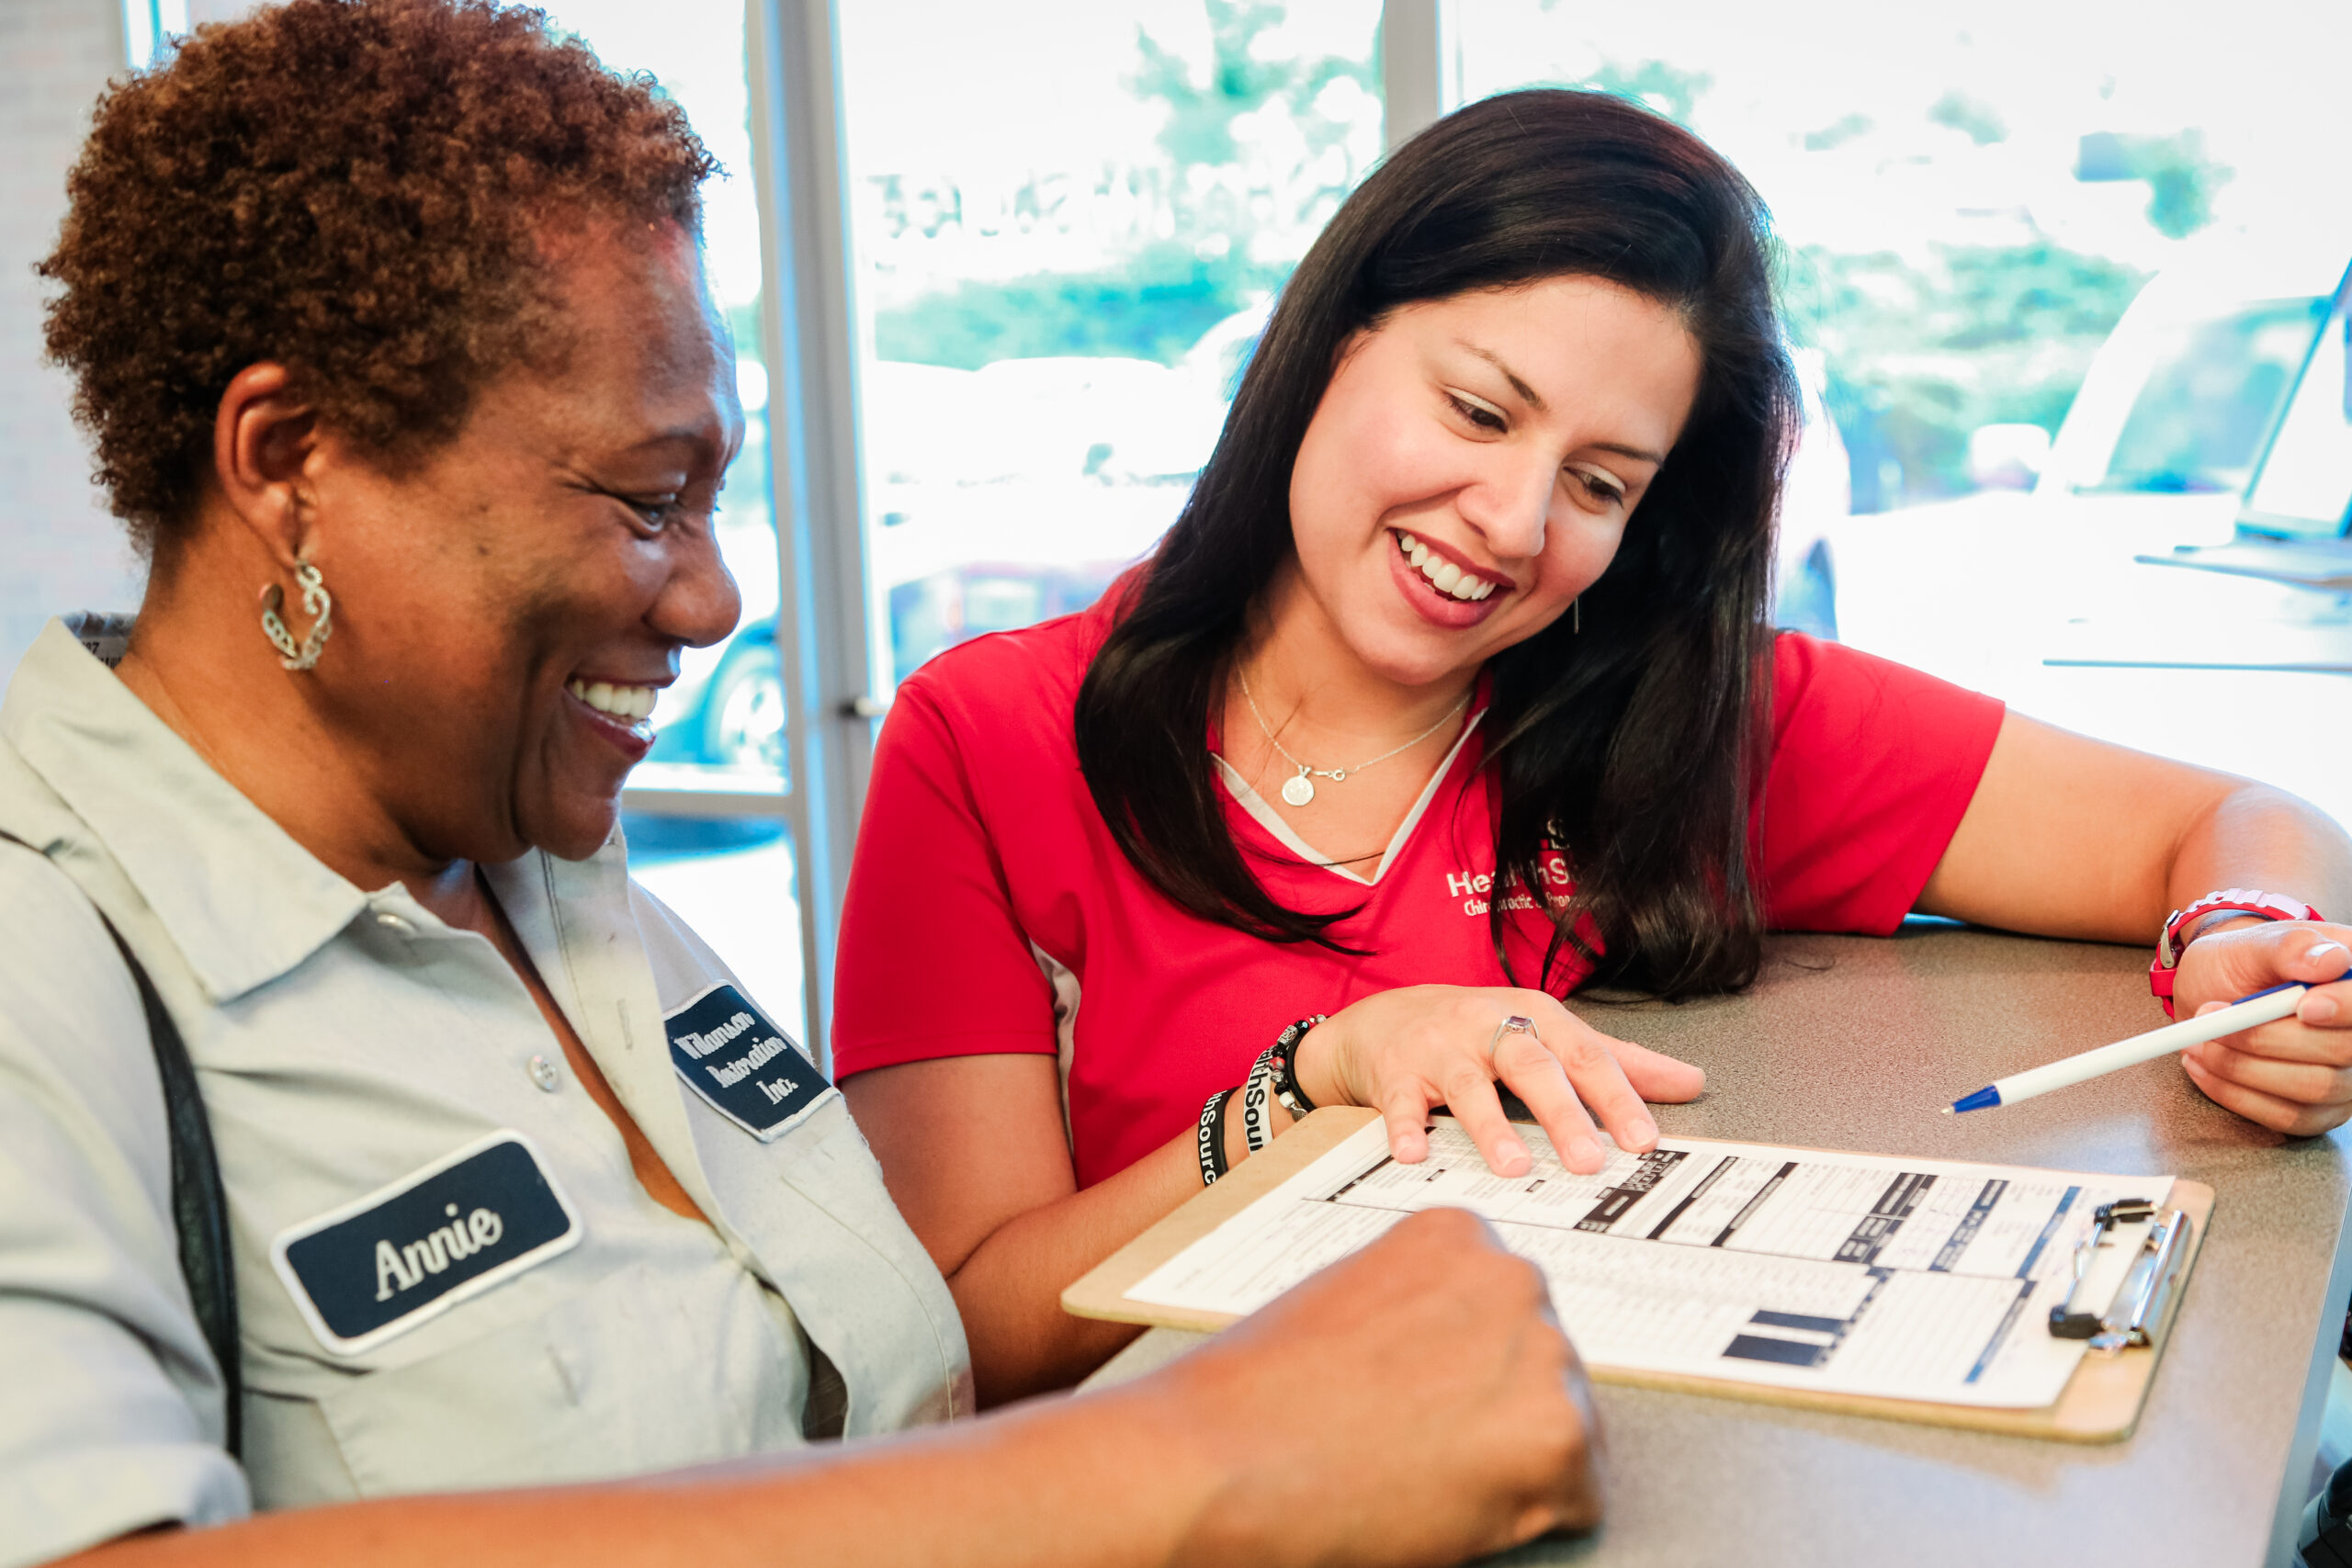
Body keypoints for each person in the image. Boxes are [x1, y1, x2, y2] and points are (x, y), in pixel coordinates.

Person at [0, 5, 1606, 1564]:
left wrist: (1297, 1155)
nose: (712, 601)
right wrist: (1200, 1463)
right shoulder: (49, 955)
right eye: (647, 500)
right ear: (291, 461)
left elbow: (885, 1409)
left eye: (717, 502)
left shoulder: (542, 874)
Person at [832, 87, 2352, 1405]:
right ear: (1335, 339)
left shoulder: (1676, 719)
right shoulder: (991, 739)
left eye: (1602, 484)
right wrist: (1311, 1085)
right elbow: (966, 1339)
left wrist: (2247, 941)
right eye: (1479, 411)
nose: (1509, 525)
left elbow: (2230, 814)